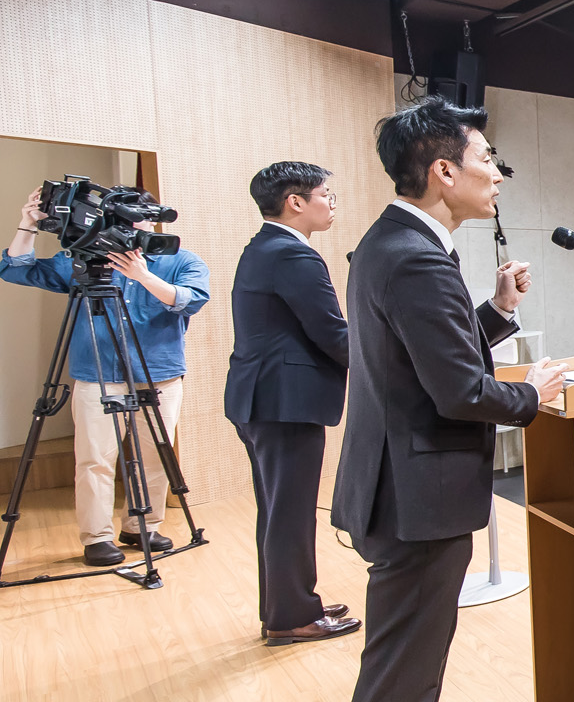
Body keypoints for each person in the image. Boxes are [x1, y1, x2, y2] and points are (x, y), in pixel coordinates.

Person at [333, 95, 566, 702]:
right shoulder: (414, 254)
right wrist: (533, 394)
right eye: (485, 159)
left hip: (403, 482)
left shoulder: (396, 243)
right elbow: (459, 390)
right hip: (415, 492)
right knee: (400, 669)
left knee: (413, 661)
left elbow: (426, 350)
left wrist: (497, 313)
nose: (496, 173)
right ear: (442, 172)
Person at [4, 188, 211, 566]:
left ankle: (142, 526)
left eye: (140, 214)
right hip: (98, 373)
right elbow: (16, 269)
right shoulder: (85, 259)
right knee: (95, 459)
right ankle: (97, 537)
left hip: (159, 375)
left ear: (153, 217)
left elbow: (191, 298)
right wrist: (28, 225)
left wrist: (143, 276)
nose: (134, 223)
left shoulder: (180, 258)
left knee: (155, 456)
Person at [223, 161, 356, 644]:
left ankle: (288, 603)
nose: (332, 202)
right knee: (291, 514)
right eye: (326, 193)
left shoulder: (263, 247)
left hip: (260, 398)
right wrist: (388, 362)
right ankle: (292, 617)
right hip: (284, 402)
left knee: (278, 510)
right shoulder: (293, 255)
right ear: (295, 202)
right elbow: (332, 333)